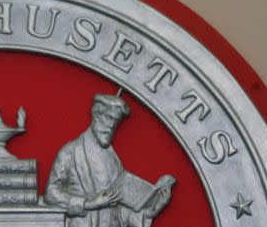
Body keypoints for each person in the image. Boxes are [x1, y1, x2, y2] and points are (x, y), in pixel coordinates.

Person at [44, 94, 174, 227]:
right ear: (96, 116)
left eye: (116, 121)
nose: (112, 125)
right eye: (108, 118)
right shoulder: (71, 152)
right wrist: (89, 204)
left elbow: (116, 212)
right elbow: (51, 193)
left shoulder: (113, 159)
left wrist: (148, 212)